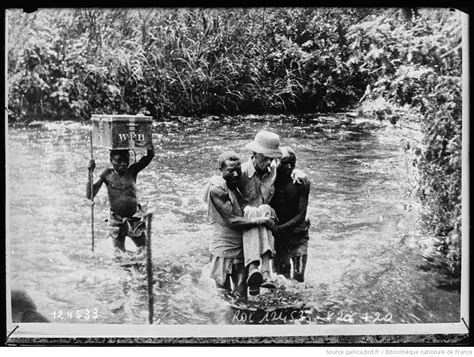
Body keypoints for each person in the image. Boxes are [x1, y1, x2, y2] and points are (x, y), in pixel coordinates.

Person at [203, 151, 275, 298]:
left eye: (238, 170)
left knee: (242, 295)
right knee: (223, 295)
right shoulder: (217, 188)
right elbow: (231, 221)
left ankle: (263, 272)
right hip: (222, 249)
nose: (235, 174)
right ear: (220, 169)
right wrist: (261, 221)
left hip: (240, 248)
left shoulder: (236, 187)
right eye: (230, 171)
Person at [86, 143, 155, 253]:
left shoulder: (132, 170)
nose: (123, 164)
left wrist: (149, 144)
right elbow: (90, 195)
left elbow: (149, 156)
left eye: (126, 161)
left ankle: (141, 267)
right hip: (116, 220)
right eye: (119, 161)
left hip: (134, 218)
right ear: (111, 161)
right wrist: (90, 173)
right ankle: (125, 268)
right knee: (119, 253)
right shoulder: (107, 174)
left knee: (144, 250)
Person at [238, 130, 283, 294]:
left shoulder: (273, 172)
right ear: (254, 153)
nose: (268, 162)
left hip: (266, 224)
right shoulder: (241, 172)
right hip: (248, 224)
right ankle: (253, 269)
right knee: (251, 211)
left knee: (264, 209)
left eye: (271, 158)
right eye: (265, 157)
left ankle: (265, 271)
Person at [270, 146, 310, 282]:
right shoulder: (269, 182)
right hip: (279, 238)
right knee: (281, 277)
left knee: (298, 277)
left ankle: (300, 303)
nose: (289, 167)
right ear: (275, 162)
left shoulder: (301, 182)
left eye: (292, 163)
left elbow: (301, 216)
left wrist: (278, 228)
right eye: (285, 162)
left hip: (298, 235)